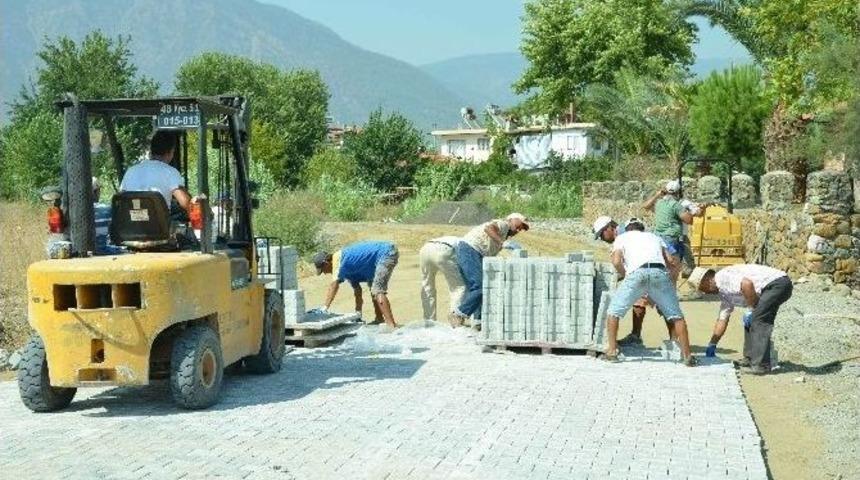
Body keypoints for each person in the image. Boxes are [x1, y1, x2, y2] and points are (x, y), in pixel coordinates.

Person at [598, 215, 696, 366]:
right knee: (677, 316)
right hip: (659, 272)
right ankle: (687, 356)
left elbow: (617, 261)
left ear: (628, 229)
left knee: (613, 312)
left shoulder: (622, 238)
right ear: (642, 228)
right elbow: (671, 261)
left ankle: (612, 352)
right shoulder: (655, 237)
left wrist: (626, 275)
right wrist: (667, 281)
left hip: (637, 273)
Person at [688, 265, 793, 374]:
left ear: (706, 280)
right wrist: (712, 344)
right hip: (773, 285)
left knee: (758, 320)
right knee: (751, 320)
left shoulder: (723, 278)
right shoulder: (724, 293)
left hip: (777, 284)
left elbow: (747, 284)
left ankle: (761, 365)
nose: (705, 293)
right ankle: (750, 358)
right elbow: (722, 319)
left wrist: (752, 309)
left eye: (702, 289)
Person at [593, 216, 673, 346]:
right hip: (653, 269)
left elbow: (619, 262)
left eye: (602, 235)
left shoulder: (625, 234)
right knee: (640, 301)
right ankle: (636, 336)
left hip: (656, 269)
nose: (602, 239)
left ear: (609, 228)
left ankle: (674, 340)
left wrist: (626, 275)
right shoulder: (626, 232)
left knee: (663, 306)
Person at [450, 213, 530, 327]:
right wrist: (503, 243)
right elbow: (489, 228)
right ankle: (458, 314)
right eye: (520, 224)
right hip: (470, 250)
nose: (519, 229)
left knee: (481, 287)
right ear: (512, 219)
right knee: (480, 286)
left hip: (474, 253)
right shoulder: (503, 224)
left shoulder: (503, 235)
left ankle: (478, 321)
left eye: (522, 228)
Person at [313, 241, 400, 328]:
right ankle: (379, 319)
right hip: (377, 260)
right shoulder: (347, 270)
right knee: (373, 289)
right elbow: (358, 291)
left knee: (377, 290)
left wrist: (325, 307)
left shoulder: (338, 262)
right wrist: (358, 314)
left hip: (385, 253)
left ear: (326, 263)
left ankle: (391, 326)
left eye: (323, 270)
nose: (324, 273)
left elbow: (334, 285)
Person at [120, 130, 192, 212]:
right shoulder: (170, 172)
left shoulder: (130, 171)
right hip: (159, 224)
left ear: (152, 150)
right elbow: (186, 203)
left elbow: (120, 201)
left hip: (130, 223)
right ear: (171, 152)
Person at [643, 180, 694, 283]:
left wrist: (657, 195)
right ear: (678, 192)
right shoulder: (676, 205)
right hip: (672, 238)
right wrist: (692, 212)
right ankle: (671, 294)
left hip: (658, 238)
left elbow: (646, 206)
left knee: (662, 266)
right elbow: (689, 220)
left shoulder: (659, 203)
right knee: (673, 268)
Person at [419, 236, 465, 324]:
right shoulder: (469, 246)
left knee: (427, 286)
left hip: (426, 248)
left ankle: (429, 321)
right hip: (444, 250)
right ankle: (455, 321)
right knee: (459, 287)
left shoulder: (460, 239)